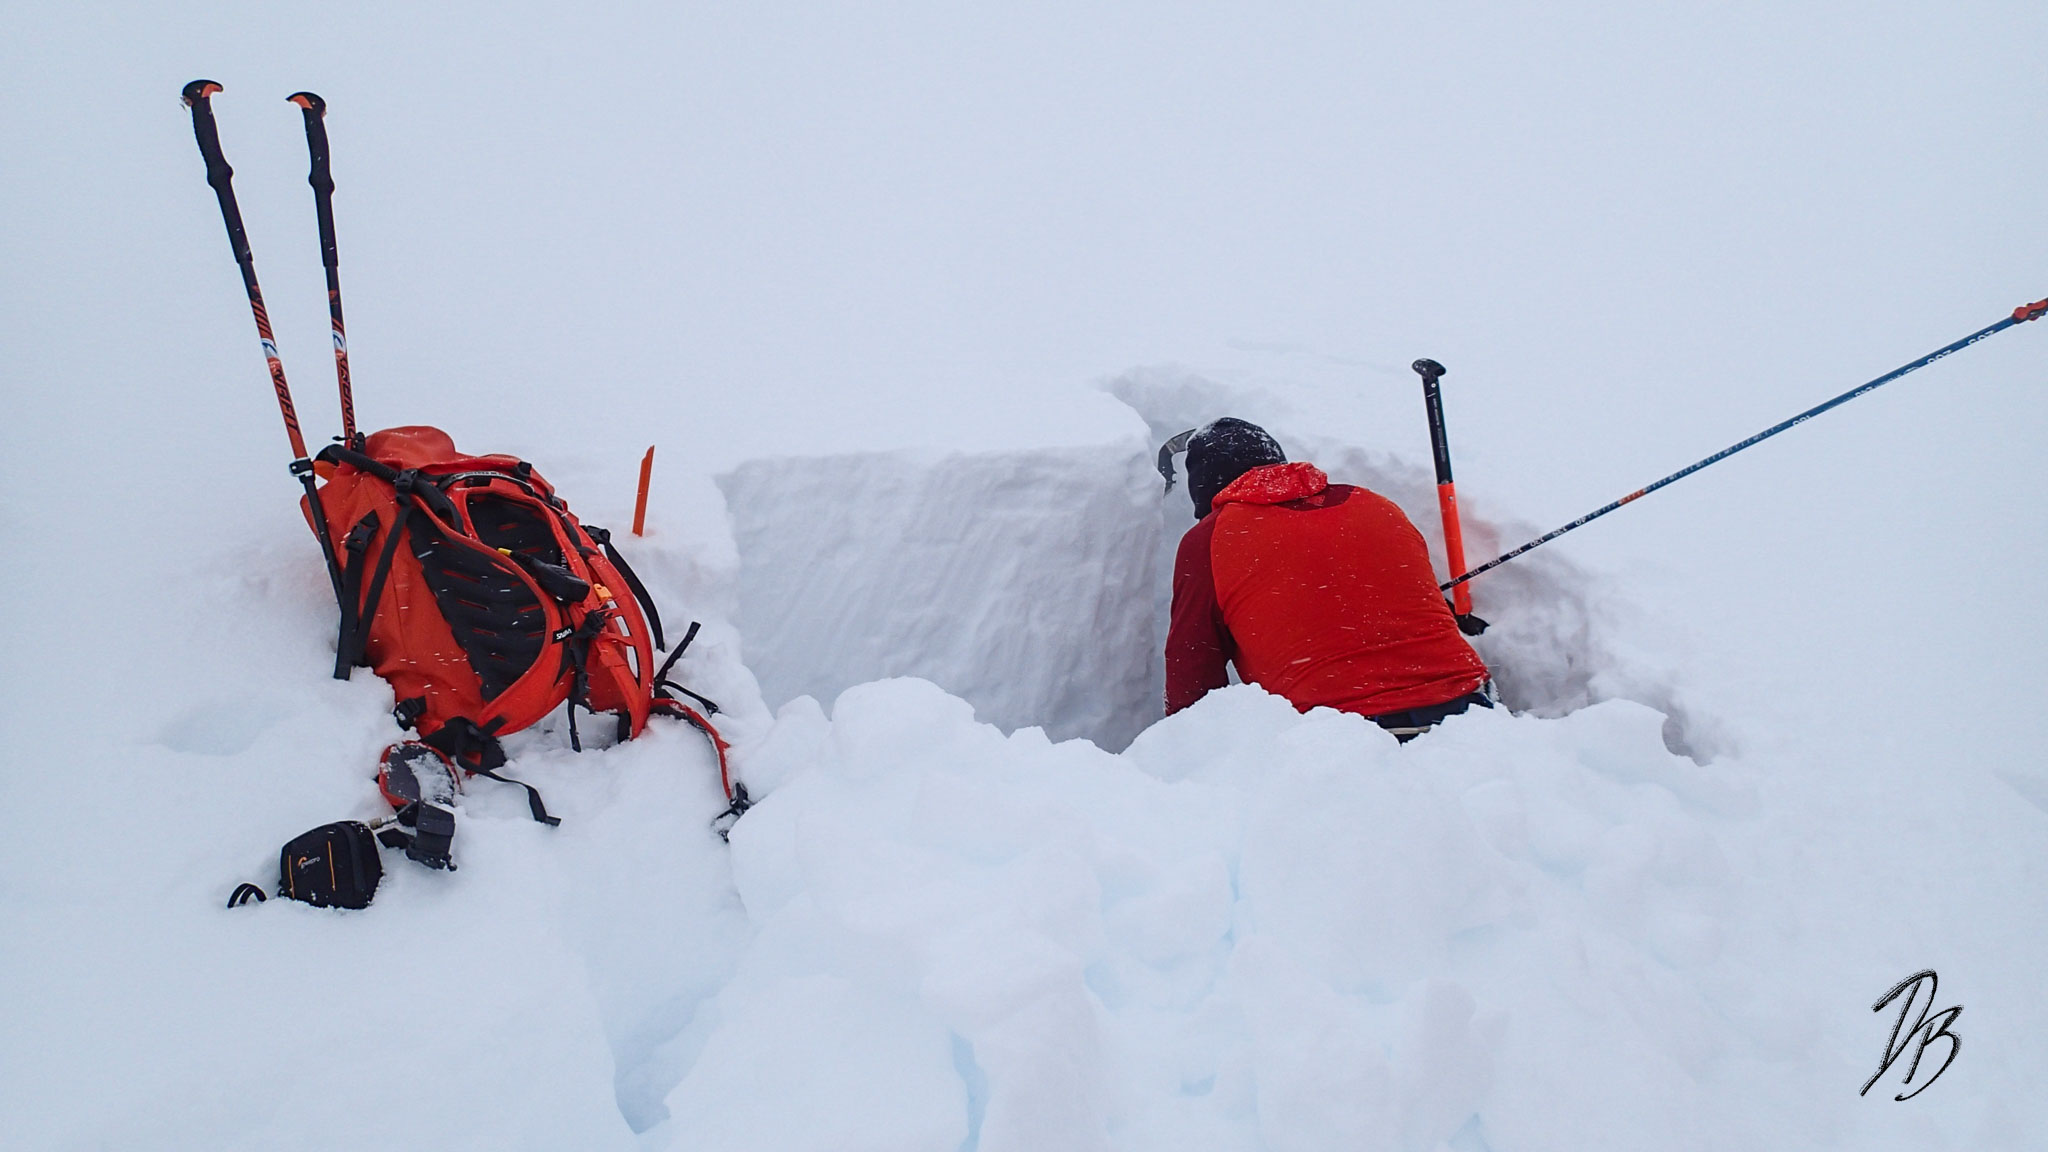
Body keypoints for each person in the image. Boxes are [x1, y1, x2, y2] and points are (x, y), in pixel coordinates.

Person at [1164, 418, 1494, 740]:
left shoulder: (1211, 537)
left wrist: (1186, 749)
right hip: (1471, 710)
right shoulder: (1375, 504)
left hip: (1341, 735)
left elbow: (1192, 666)